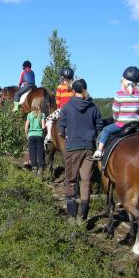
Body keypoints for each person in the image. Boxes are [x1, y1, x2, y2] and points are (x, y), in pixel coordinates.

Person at [58, 79, 103, 221]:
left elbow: (60, 131)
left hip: (72, 148)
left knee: (71, 181)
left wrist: (69, 136)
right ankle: (82, 217)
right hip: (89, 148)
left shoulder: (66, 107)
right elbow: (100, 129)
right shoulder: (94, 108)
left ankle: (71, 216)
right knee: (86, 181)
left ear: (73, 90)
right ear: (85, 90)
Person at [92, 66, 139, 160]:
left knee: (106, 131)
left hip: (122, 124)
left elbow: (115, 111)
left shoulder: (119, 94)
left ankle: (99, 151)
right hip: (137, 125)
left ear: (124, 80)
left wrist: (116, 120)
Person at [44, 67, 75, 145]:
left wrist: (58, 108)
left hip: (62, 110)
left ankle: (49, 136)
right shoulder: (73, 87)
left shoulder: (60, 87)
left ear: (62, 77)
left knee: (49, 119)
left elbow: (57, 101)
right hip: (73, 110)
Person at [25, 98, 46, 176]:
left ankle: (34, 169)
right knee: (40, 153)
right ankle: (40, 170)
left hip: (31, 136)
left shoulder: (29, 115)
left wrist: (27, 135)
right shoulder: (42, 114)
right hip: (39, 135)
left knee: (32, 153)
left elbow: (26, 127)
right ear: (39, 105)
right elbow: (43, 127)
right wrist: (44, 134)